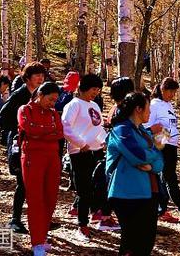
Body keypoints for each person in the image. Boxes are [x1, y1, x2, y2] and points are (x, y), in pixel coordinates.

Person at [107, 92, 164, 256]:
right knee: (131, 242)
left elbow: (160, 161)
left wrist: (150, 163)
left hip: (149, 192)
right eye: (148, 109)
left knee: (146, 241)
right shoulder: (121, 130)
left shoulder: (144, 133)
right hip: (126, 192)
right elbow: (137, 155)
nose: (150, 114)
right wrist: (150, 154)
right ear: (138, 109)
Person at [0, 62, 48, 234]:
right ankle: (15, 219)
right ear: (28, 77)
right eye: (37, 75)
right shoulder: (20, 94)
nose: (41, 78)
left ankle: (39, 218)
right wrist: (21, 129)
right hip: (20, 143)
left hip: (38, 145)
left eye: (42, 75)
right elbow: (3, 117)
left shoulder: (41, 94)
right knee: (23, 182)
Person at [17, 81, 64, 256]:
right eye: (50, 100)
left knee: (50, 197)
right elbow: (28, 128)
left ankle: (42, 237)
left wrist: (41, 132)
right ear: (40, 95)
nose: (53, 104)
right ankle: (36, 241)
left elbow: (59, 132)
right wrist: (47, 132)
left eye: (55, 101)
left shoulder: (53, 114)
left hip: (52, 158)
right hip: (32, 157)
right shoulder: (25, 110)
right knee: (36, 198)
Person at [62, 73, 111, 237]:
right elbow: (66, 127)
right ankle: (82, 224)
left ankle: (96, 214)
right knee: (83, 190)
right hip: (79, 152)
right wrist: (81, 144)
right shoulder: (74, 105)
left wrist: (104, 141)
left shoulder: (95, 106)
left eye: (98, 89)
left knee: (97, 186)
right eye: (93, 89)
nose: (96, 92)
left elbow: (98, 128)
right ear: (83, 88)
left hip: (95, 152)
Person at [148, 77, 180, 223]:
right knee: (170, 177)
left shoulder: (168, 105)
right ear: (162, 89)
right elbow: (148, 127)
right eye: (170, 91)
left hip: (171, 145)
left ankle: (162, 209)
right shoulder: (154, 105)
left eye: (174, 92)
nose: (172, 95)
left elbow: (170, 125)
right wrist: (162, 135)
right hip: (162, 145)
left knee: (167, 177)